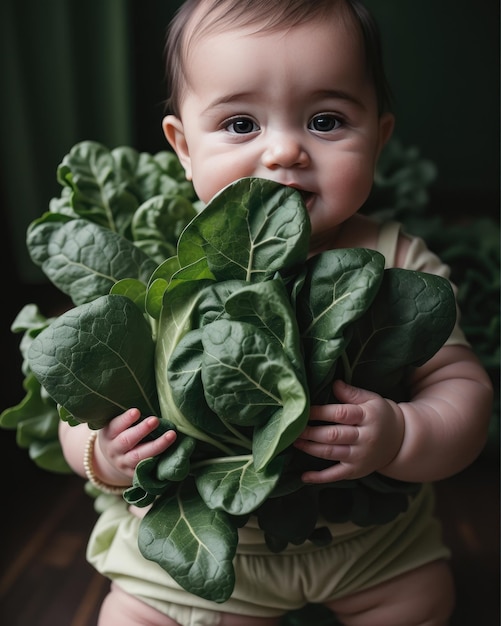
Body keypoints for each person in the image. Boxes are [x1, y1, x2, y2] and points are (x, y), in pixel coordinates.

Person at [59, 1, 493, 625]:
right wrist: (101, 453)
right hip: (209, 548)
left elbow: (464, 395)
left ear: (378, 135)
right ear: (184, 147)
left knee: (422, 603)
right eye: (240, 124)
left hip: (367, 542)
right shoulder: (160, 266)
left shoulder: (399, 263)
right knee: (131, 616)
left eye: (325, 120)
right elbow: (81, 395)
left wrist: (404, 433)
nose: (285, 150)